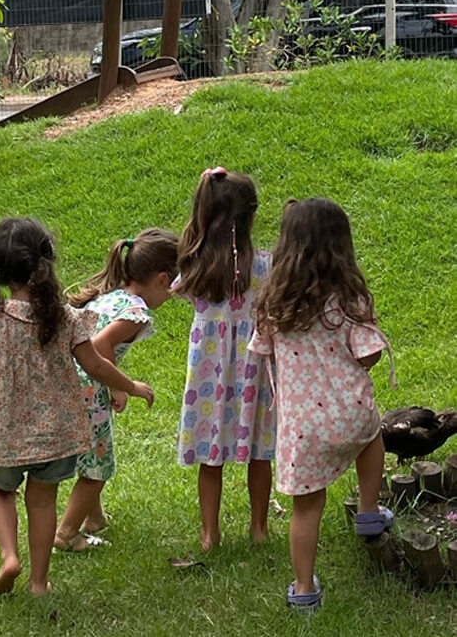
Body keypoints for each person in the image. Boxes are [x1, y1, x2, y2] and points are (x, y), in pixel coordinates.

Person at [0, 217, 155, 596]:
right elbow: (96, 364)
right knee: (42, 503)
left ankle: (9, 557)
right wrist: (130, 385)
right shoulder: (65, 317)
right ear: (45, 263)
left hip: (9, 432)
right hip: (58, 434)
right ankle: (37, 582)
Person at [249, 197, 395, 613]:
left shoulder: (273, 304)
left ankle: (303, 590)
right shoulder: (349, 298)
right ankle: (369, 511)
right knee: (372, 436)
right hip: (351, 414)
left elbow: (261, 351)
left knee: (307, 506)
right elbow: (369, 356)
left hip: (302, 429)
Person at [54, 228, 179, 552]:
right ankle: (66, 534)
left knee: (92, 456)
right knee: (98, 468)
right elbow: (100, 346)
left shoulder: (109, 296)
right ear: (163, 280)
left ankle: (93, 518)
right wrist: (124, 386)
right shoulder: (136, 313)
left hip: (65, 382)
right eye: (175, 287)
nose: (172, 296)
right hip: (87, 389)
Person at [176, 168, 275, 551]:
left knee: (209, 454)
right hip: (254, 370)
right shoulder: (264, 267)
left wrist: (198, 230)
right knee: (260, 452)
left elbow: (179, 287)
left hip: (208, 375)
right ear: (249, 217)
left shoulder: (194, 267)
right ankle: (259, 527)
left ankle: (210, 533)